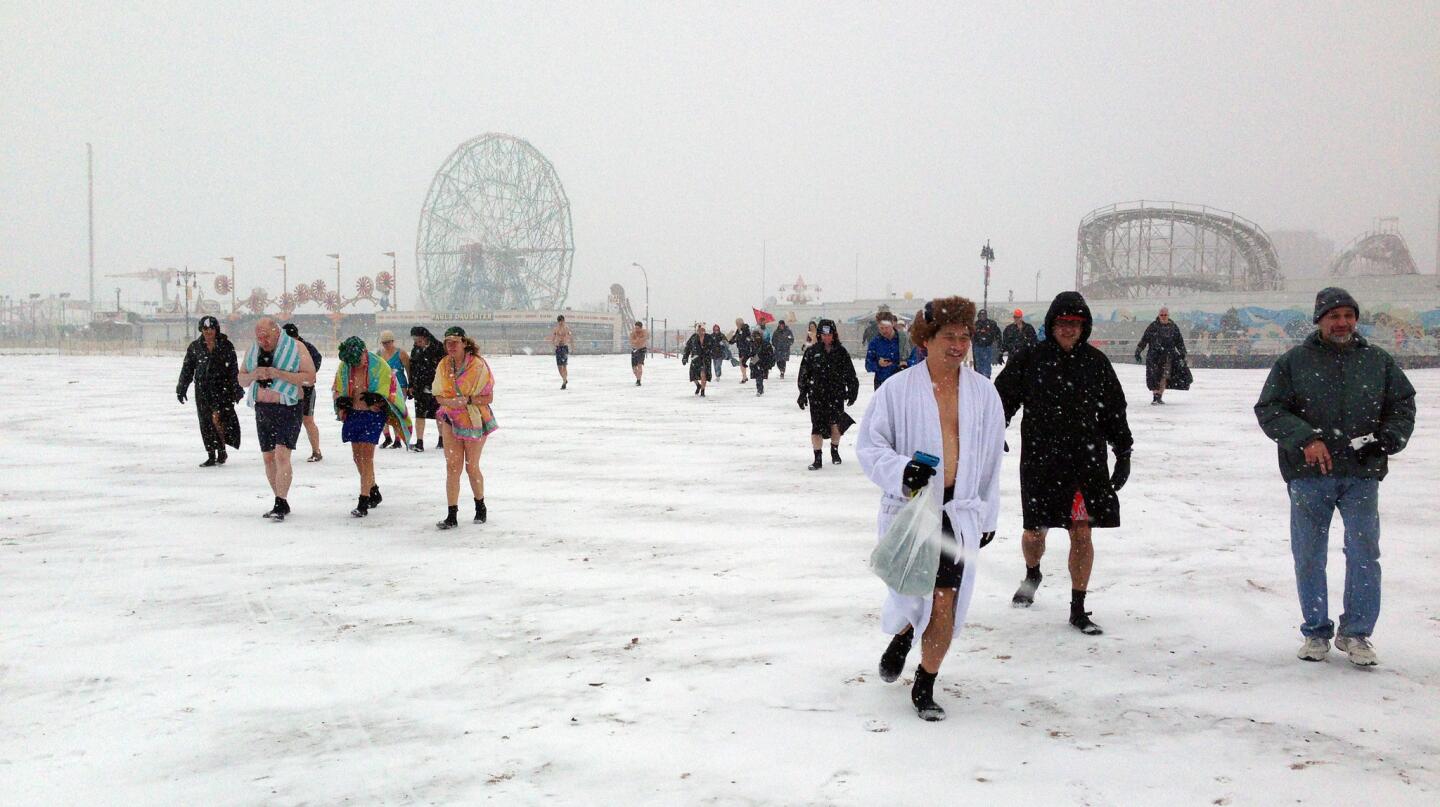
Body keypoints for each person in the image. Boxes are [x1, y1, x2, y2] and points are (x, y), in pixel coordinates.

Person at [858, 296, 1006, 721]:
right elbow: (869, 446)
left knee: (946, 600)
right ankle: (905, 633)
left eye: (964, 336)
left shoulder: (983, 395)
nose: (958, 345)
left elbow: (992, 460)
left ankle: (926, 680)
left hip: (958, 514)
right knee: (911, 590)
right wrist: (903, 471)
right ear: (926, 339)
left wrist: (988, 515)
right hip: (913, 511)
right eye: (948, 336)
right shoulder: (898, 390)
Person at [1254, 287, 1415, 667]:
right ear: (1319, 320)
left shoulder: (1377, 361)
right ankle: (1315, 631)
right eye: (1333, 316)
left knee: (1364, 554)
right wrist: (1305, 438)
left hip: (1361, 476)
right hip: (1309, 476)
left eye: (1348, 315)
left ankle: (1356, 633)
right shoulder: (1294, 362)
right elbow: (1270, 408)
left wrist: (1388, 439)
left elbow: (1402, 405)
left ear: (1356, 319)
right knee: (1309, 555)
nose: (1341, 323)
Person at [993, 292, 1133, 635]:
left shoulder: (1096, 363)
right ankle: (1032, 572)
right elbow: (1001, 399)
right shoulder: (1030, 360)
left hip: (1085, 462)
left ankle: (1078, 607)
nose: (1069, 329)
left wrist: (1123, 450)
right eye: (1062, 323)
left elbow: (1114, 409)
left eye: (1075, 323)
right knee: (1034, 533)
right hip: (1041, 460)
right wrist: (996, 431)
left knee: (1081, 532)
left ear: (1083, 326)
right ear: (1051, 324)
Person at [239, 317, 317, 521]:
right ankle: (279, 498)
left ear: (276, 332)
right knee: (268, 457)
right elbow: (241, 379)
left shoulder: (296, 347)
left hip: (289, 406)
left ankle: (280, 502)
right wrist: (254, 374)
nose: (262, 341)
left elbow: (310, 377)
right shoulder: (253, 350)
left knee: (282, 455)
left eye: (266, 336)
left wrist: (278, 374)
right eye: (259, 337)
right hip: (263, 408)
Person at [332, 336, 411, 517]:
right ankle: (373, 489)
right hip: (354, 414)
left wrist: (379, 398)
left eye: (357, 361)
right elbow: (337, 387)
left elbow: (391, 389)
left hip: (373, 415)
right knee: (357, 457)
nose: (355, 365)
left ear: (364, 352)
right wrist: (341, 401)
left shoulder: (379, 365)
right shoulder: (345, 366)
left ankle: (363, 500)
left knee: (366, 456)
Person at [432, 326, 498, 529]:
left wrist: (467, 400)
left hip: (474, 420)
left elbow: (489, 397)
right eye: (447, 342)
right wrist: (449, 403)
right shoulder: (443, 365)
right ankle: (452, 514)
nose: (450, 346)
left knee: (471, 467)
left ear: (464, 343)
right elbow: (437, 393)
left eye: (455, 342)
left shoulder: (478, 366)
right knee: (452, 467)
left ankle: (480, 506)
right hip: (451, 419)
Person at [176, 315, 242, 467]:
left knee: (219, 419)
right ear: (201, 329)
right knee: (206, 422)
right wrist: (181, 387)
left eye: (211, 328)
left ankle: (222, 449)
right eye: (205, 328)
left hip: (222, 389)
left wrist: (236, 388)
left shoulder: (225, 345)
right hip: (202, 390)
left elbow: (233, 369)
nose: (208, 331)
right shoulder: (195, 347)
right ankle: (212, 454)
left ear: (216, 329)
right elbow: (187, 369)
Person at [797, 319, 860, 470]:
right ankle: (817, 458)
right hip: (817, 395)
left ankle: (834, 450)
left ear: (834, 335)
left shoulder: (841, 352)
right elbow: (804, 374)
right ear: (819, 335)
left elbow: (850, 373)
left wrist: (852, 390)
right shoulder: (811, 352)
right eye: (823, 335)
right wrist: (802, 393)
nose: (826, 338)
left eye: (829, 334)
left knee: (835, 425)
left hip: (836, 394)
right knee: (817, 427)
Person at [282, 323, 325, 462]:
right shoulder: (283, 348)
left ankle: (316, 451)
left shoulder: (306, 348)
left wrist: (305, 376)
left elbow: (316, 363)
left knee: (307, 420)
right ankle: (283, 451)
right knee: (288, 420)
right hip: (289, 389)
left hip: (306, 390)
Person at [1135, 307, 1192, 405]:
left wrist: (1183, 353)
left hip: (1168, 356)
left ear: (1168, 315)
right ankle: (1155, 396)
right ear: (1158, 315)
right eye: (1162, 315)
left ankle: (1159, 397)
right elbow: (1144, 339)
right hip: (1154, 356)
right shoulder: (1152, 327)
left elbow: (1179, 341)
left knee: (1164, 377)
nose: (1163, 317)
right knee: (1154, 376)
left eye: (1165, 315)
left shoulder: (1173, 327)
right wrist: (1138, 351)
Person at [407, 326, 445, 452]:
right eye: (414, 340)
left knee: (439, 414)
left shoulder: (439, 348)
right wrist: (411, 385)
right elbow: (412, 368)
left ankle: (442, 440)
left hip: (436, 388)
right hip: (419, 388)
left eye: (418, 339)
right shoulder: (415, 350)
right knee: (419, 415)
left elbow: (444, 368)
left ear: (425, 337)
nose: (416, 342)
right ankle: (419, 442)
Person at [377, 330, 411, 448]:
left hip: (399, 387)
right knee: (382, 412)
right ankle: (387, 437)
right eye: (384, 343)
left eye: (388, 342)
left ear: (393, 341)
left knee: (397, 412)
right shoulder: (379, 354)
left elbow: (408, 370)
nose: (386, 345)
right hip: (384, 387)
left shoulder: (401, 354)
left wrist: (410, 385)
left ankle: (398, 440)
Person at [863, 313, 912, 389]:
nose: (884, 331)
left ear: (893, 324)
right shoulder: (874, 343)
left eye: (886, 327)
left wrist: (906, 363)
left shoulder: (904, 339)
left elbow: (916, 359)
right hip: (882, 384)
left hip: (902, 383)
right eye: (881, 328)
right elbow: (868, 366)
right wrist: (878, 364)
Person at [681, 323, 714, 396]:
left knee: (703, 374)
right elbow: (688, 348)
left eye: (702, 330)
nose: (700, 331)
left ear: (704, 330)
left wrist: (713, 353)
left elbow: (714, 347)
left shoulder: (708, 337)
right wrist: (685, 357)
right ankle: (698, 385)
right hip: (696, 358)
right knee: (693, 375)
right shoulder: (693, 337)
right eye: (699, 330)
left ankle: (702, 390)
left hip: (705, 359)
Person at [972, 309, 1002, 377]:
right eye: (981, 315)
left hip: (988, 347)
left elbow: (998, 334)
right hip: (978, 347)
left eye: (984, 315)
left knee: (987, 364)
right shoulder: (975, 324)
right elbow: (970, 335)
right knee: (978, 365)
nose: (982, 316)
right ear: (978, 316)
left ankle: (986, 378)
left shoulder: (992, 323)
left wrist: (999, 345)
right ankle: (979, 378)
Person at [748, 328, 775, 395]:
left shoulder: (766, 344)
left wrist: (771, 363)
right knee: (757, 376)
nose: (757, 337)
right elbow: (752, 353)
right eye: (755, 336)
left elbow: (771, 354)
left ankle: (760, 389)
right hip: (756, 359)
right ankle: (759, 389)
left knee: (760, 376)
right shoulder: (753, 343)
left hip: (763, 360)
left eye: (758, 336)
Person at [549, 315, 573, 389]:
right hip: (558, 348)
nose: (561, 323)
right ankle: (564, 379)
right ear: (558, 321)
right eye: (559, 321)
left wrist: (570, 344)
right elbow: (552, 338)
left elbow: (570, 337)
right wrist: (554, 344)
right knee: (559, 367)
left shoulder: (566, 328)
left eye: (562, 321)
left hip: (564, 348)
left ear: (564, 321)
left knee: (564, 365)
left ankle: (564, 382)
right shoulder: (556, 329)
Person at [730, 318, 753, 384]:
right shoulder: (738, 330)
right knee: (741, 363)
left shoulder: (746, 329)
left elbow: (747, 338)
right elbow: (735, 338)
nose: (737, 325)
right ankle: (744, 376)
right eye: (736, 324)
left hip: (746, 349)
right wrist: (730, 338)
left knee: (742, 363)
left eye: (738, 323)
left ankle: (744, 377)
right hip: (741, 348)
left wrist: (745, 340)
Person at [629, 321, 648, 386]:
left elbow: (644, 339)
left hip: (641, 350)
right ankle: (637, 378)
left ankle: (639, 381)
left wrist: (638, 340)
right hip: (634, 350)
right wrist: (636, 341)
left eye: (638, 328)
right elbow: (631, 341)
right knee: (634, 368)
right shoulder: (633, 333)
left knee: (639, 365)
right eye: (635, 328)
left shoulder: (644, 332)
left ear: (641, 328)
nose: (636, 329)